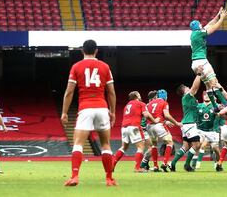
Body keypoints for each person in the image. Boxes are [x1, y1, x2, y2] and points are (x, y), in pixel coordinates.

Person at [61, 39, 117, 187]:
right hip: (102, 107)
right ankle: (109, 179)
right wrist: (113, 112)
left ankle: (74, 177)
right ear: (96, 51)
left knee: (78, 144)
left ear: (82, 51)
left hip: (85, 107)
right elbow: (111, 92)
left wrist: (64, 112)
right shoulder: (105, 66)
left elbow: (69, 91)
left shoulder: (76, 66)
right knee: (106, 145)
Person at [189, 7, 227, 105]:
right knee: (214, 82)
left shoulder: (195, 33)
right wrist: (222, 18)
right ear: (197, 26)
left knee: (208, 84)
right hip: (202, 61)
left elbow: (209, 24)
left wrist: (218, 14)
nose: (201, 24)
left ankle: (215, 105)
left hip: (195, 63)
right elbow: (213, 28)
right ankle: (225, 104)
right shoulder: (199, 33)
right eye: (199, 23)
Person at [112, 91, 156, 173]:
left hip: (124, 127)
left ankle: (112, 165)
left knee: (123, 147)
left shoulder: (127, 106)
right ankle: (137, 168)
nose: (140, 96)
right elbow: (146, 115)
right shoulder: (141, 104)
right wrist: (154, 121)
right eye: (139, 95)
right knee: (141, 147)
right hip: (134, 126)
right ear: (136, 96)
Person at [170, 76, 203, 172]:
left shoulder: (188, 98)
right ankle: (187, 164)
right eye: (185, 87)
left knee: (186, 147)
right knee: (197, 145)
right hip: (190, 124)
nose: (188, 87)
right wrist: (199, 74)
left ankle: (173, 163)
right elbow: (195, 87)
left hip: (186, 125)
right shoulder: (187, 96)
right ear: (184, 91)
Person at [146, 88, 180, 171]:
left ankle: (155, 166)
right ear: (165, 97)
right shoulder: (164, 102)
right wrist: (176, 123)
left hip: (149, 126)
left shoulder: (149, 104)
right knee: (170, 142)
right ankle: (164, 163)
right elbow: (167, 115)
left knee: (154, 145)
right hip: (158, 125)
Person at [193, 91, 223, 171]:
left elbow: (221, 115)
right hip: (201, 130)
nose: (206, 96)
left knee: (215, 148)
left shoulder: (216, 106)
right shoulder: (199, 106)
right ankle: (195, 165)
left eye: (208, 95)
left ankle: (218, 164)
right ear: (202, 96)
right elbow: (195, 117)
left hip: (212, 131)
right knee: (198, 145)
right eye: (204, 95)